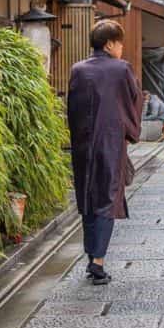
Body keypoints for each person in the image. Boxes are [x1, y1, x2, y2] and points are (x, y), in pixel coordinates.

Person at [67, 19, 142, 285]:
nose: (122, 48)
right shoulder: (121, 69)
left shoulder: (78, 69)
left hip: (83, 144)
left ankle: (92, 255)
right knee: (107, 198)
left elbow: (72, 109)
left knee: (88, 196)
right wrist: (131, 131)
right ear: (110, 44)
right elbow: (132, 101)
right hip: (110, 142)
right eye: (120, 43)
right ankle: (97, 262)